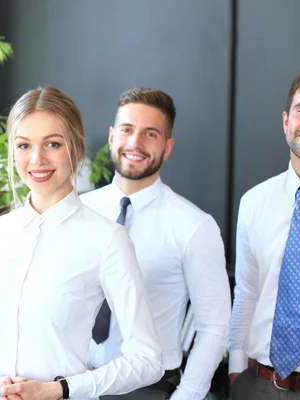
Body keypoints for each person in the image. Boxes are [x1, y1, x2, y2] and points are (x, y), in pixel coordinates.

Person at [0, 86, 163, 400]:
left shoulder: (107, 239)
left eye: (53, 144)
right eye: (23, 145)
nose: (37, 159)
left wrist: (61, 389)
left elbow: (148, 359)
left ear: (76, 148)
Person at [85, 88, 231, 400]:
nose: (135, 143)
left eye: (150, 134)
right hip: (72, 382)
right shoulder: (77, 212)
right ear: (112, 136)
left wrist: (186, 396)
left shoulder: (194, 226)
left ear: (168, 147)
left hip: (146, 390)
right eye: (127, 130)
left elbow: (214, 328)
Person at [229, 67, 300, 398]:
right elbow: (247, 290)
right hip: (256, 384)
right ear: (286, 120)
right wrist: (236, 368)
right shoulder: (254, 201)